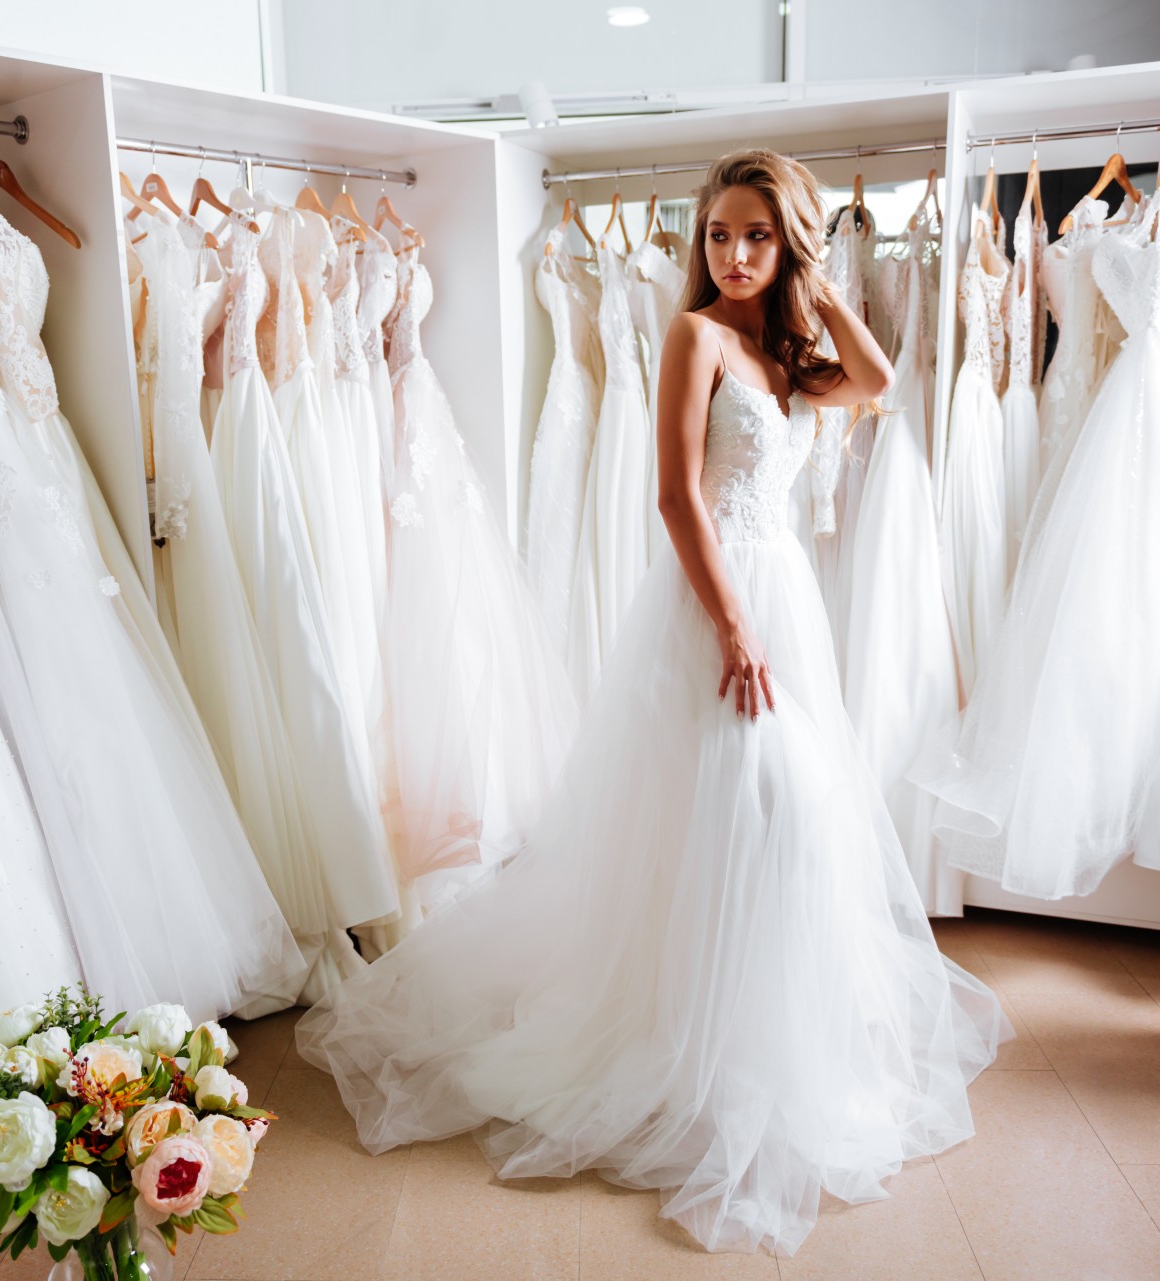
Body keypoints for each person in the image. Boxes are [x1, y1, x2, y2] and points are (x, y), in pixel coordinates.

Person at [296, 149, 1007, 1257]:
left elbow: (877, 382)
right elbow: (677, 496)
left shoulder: (782, 357)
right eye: (719, 235)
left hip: (783, 608)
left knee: (771, 819)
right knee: (754, 802)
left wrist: (812, 291)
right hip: (717, 608)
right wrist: (730, 626)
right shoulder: (695, 339)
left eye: (757, 237)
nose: (732, 254)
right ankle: (693, 1041)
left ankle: (749, 1033)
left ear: (790, 246)